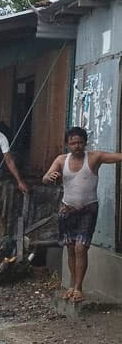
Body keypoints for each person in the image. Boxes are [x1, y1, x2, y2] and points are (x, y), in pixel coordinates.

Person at [42, 126, 122, 303]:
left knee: (81, 248)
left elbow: (118, 157)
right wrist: (50, 177)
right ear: (67, 144)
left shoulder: (94, 157)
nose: (76, 146)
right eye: (72, 143)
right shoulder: (62, 160)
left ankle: (79, 287)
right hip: (67, 210)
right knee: (70, 248)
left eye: (79, 142)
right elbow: (46, 177)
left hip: (88, 209)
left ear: (85, 143)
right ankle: (71, 285)